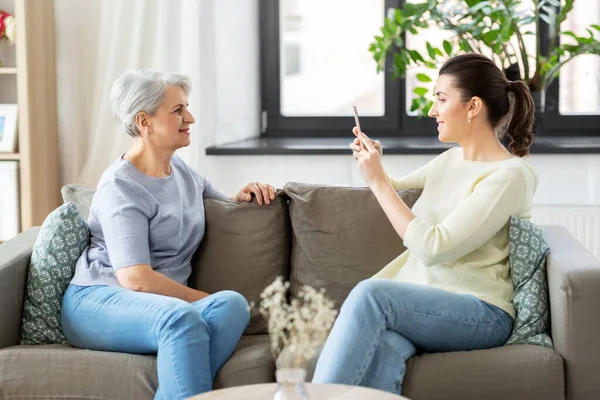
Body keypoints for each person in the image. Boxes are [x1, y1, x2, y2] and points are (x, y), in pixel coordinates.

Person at [312, 53, 538, 395]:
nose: (433, 110)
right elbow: (396, 188)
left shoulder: (509, 176)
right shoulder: (450, 160)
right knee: (385, 345)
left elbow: (434, 247)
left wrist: (378, 182)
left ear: (473, 106)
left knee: (371, 296)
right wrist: (373, 161)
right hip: (430, 304)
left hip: (482, 311)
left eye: (441, 99)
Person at [61, 70, 276, 400]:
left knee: (232, 306)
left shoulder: (183, 173)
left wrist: (244, 194)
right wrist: (201, 301)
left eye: (186, 108)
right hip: (100, 299)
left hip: (157, 306)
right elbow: (136, 279)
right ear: (144, 121)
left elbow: (224, 201)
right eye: (178, 110)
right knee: (182, 319)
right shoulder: (122, 185)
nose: (189, 117)